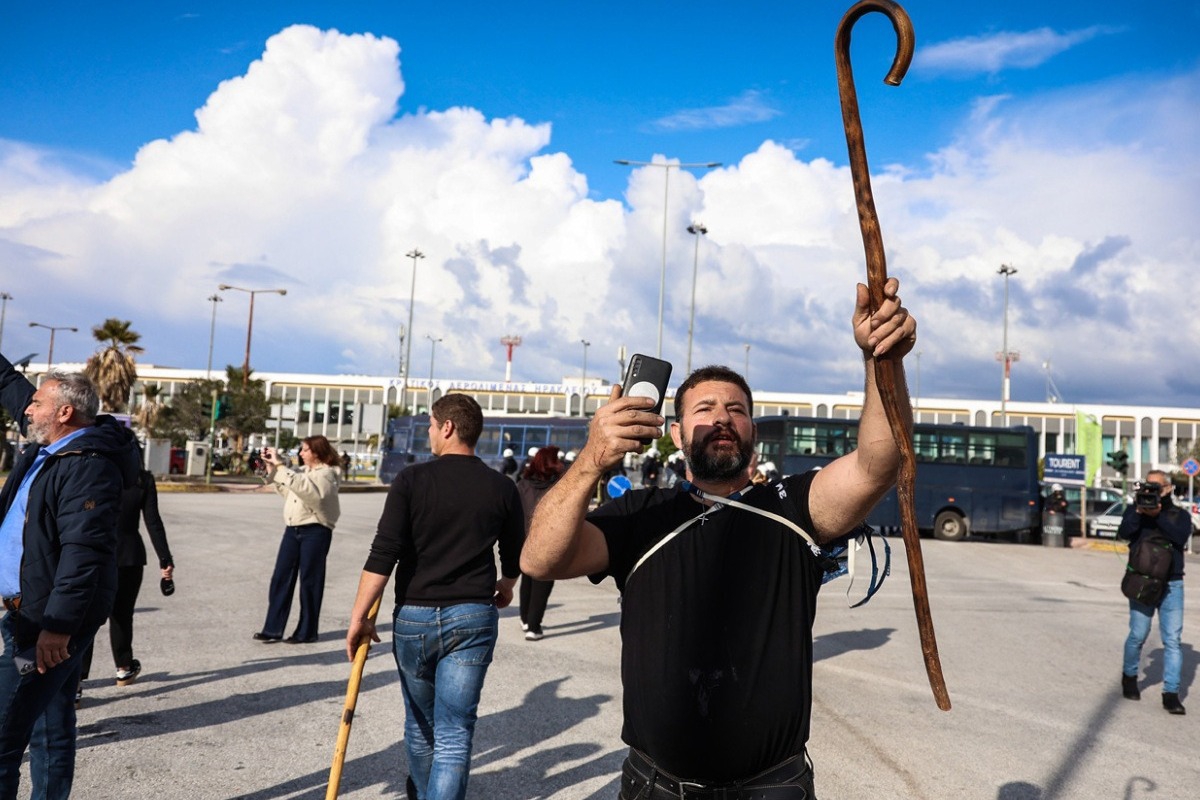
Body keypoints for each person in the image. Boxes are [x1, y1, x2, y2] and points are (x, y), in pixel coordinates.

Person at [523, 278, 916, 798]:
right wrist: (592, 460)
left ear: (751, 429)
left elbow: (877, 465)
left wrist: (880, 361)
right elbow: (539, 560)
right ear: (677, 433)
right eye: (703, 409)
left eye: (736, 410)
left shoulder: (793, 507)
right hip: (655, 785)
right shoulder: (640, 513)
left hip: (773, 786)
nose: (722, 418)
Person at [345, 393, 523, 800]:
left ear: (447, 427)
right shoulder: (501, 487)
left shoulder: (411, 481)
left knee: (420, 726)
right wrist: (507, 584)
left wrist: (359, 616)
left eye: (429, 425)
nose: (428, 433)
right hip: (472, 616)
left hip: (415, 617)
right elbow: (514, 555)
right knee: (454, 734)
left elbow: (383, 554)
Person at [0, 354, 138, 799]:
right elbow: (12, 387)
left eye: (37, 403)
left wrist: (56, 629)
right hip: (25, 615)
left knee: (3, 732)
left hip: (46, 626)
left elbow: (85, 555)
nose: (27, 410)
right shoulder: (49, 446)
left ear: (64, 412)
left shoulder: (86, 463)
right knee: (49, 719)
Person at [80, 466, 175, 694]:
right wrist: (165, 558)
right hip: (129, 555)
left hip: (94, 554)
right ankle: (124, 667)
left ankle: (76, 683)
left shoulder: (94, 471)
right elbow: (153, 521)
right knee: (122, 614)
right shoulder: (143, 480)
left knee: (85, 618)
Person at [253, 435, 341, 644]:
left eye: (305, 450)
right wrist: (271, 470)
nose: (301, 453)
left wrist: (281, 466)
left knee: (310, 582)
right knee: (280, 578)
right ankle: (273, 628)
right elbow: (290, 490)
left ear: (317, 452)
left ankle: (307, 631)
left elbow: (310, 493)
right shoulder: (305, 473)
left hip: (315, 530)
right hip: (293, 529)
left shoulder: (327, 474)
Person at [1118, 470, 1191, 715]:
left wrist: (1157, 514)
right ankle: (1129, 677)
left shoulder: (1178, 515)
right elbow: (1124, 533)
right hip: (1142, 581)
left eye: (1156, 486)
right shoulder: (1136, 508)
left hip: (1172, 584)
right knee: (1138, 634)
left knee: (1172, 640)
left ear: (1168, 489)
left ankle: (1171, 693)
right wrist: (1139, 512)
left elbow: (1180, 537)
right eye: (1148, 485)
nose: (1151, 490)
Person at [517, 446, 565, 641]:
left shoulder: (523, 484)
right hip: (548, 540)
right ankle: (534, 626)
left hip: (524, 538)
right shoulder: (560, 485)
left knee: (527, 578)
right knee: (543, 582)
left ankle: (525, 619)